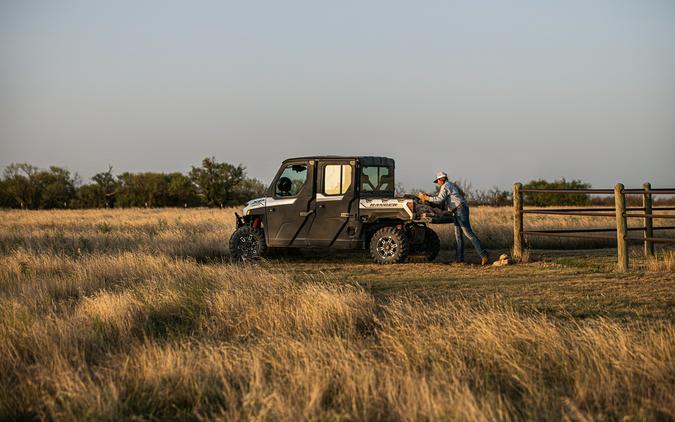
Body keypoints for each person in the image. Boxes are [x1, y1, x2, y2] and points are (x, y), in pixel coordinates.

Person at [418, 172, 489, 265]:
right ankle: (460, 259)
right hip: (457, 210)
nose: (438, 183)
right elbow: (442, 201)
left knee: (468, 233)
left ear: (441, 179)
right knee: (458, 236)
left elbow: (439, 200)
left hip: (460, 209)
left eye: (438, 181)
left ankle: (484, 254)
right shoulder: (449, 185)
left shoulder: (446, 186)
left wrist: (426, 198)